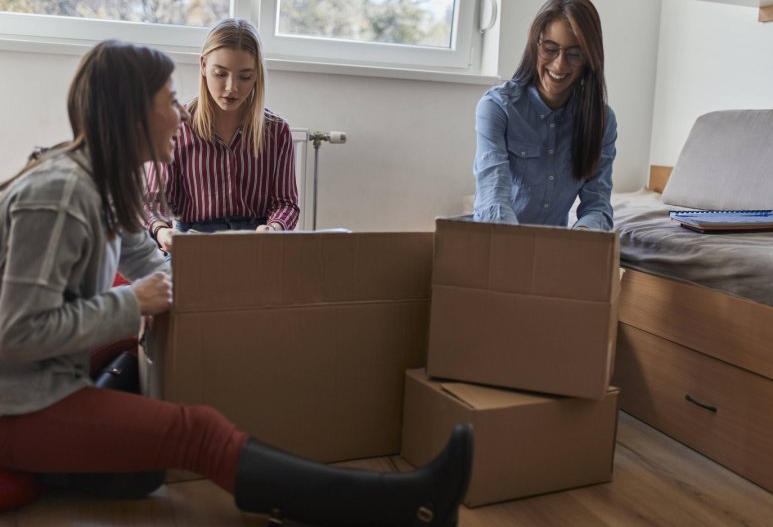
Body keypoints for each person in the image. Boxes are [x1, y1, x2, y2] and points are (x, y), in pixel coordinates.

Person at [0, 40, 473, 525]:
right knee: (197, 432)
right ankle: (406, 504)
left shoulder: (103, 184)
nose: (182, 115)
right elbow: (16, 333)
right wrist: (131, 302)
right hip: (17, 402)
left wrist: (235, 309)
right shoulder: (60, 194)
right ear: (132, 113)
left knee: (138, 470)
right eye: (169, 99)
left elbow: (157, 267)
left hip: (46, 381)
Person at [144, 18, 300, 253]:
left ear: (257, 74)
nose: (231, 88)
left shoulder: (277, 132)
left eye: (245, 76)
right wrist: (161, 230)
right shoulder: (174, 126)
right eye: (220, 73)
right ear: (203, 65)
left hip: (257, 245)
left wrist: (275, 228)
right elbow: (155, 202)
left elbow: (285, 203)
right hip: (194, 242)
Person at [472, 0, 617, 230]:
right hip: (498, 239)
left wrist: (581, 239)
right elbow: (493, 198)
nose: (559, 64)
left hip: (554, 249)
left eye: (574, 54)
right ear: (535, 45)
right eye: (550, 49)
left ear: (589, 59)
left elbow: (597, 205)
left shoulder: (602, 122)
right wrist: (518, 245)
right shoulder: (497, 107)